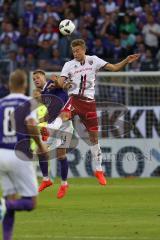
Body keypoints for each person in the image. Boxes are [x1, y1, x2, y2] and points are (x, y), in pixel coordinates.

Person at [45, 38, 140, 185]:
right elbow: (62, 82)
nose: (75, 53)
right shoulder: (69, 65)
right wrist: (60, 83)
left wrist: (126, 60)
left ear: (84, 50)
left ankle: (98, 170)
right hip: (75, 99)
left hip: (89, 103)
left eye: (78, 50)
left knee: (94, 138)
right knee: (64, 114)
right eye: (73, 51)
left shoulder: (94, 60)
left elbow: (114, 68)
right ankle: (48, 130)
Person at [0, 69, 49, 240]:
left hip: (1, 155)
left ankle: (7, 237)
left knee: (10, 199)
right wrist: (41, 146)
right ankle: (2, 206)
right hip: (19, 154)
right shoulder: (27, 103)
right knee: (30, 203)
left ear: (9, 85)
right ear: (25, 85)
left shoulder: (1, 103)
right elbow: (30, 124)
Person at [32, 69, 73, 198]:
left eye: (37, 77)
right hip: (53, 123)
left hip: (65, 125)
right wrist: (40, 120)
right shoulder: (43, 94)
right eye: (34, 79)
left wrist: (58, 82)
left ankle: (64, 184)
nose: (36, 80)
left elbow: (65, 84)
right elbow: (51, 111)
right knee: (40, 151)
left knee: (61, 156)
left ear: (43, 77)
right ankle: (46, 180)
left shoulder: (52, 83)